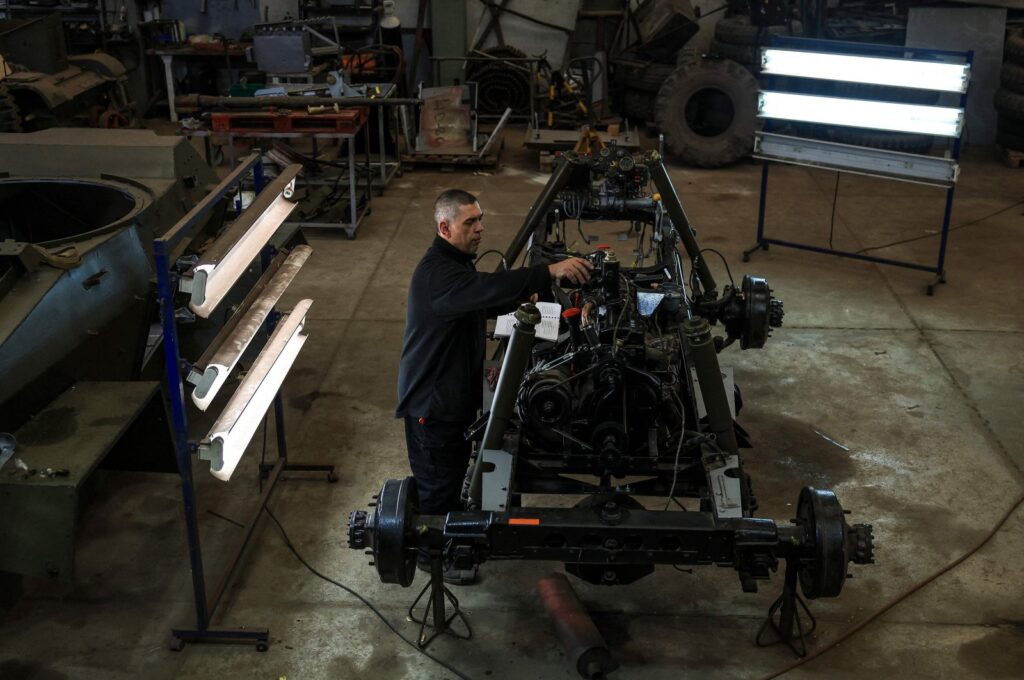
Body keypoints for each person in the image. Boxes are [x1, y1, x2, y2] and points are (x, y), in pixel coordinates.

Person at [396, 189, 591, 581]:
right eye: (470, 222)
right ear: (444, 227)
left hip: (451, 395)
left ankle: (450, 541)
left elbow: (481, 301)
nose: (480, 228)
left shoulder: (456, 265)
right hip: (432, 409)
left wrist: (530, 298)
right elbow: (480, 292)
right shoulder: (438, 274)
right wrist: (547, 271)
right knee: (439, 490)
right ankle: (437, 559)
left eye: (480, 219)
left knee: (449, 477)